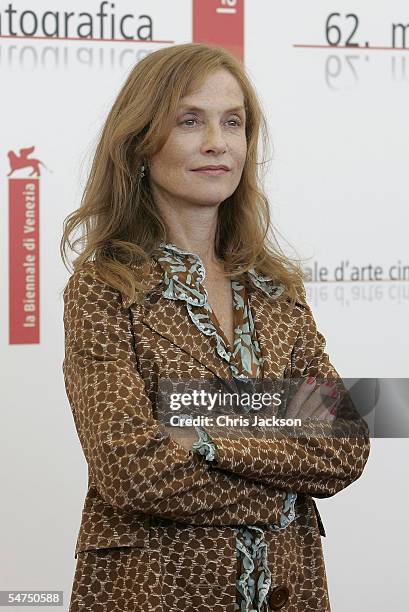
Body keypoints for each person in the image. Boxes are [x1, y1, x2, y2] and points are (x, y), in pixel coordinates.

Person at [60, 42, 370, 611]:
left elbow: (343, 447)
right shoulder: (105, 286)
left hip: (287, 589)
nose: (216, 142)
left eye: (233, 122)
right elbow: (131, 470)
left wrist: (197, 435)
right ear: (140, 145)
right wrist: (276, 458)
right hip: (153, 590)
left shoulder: (276, 287)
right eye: (189, 121)